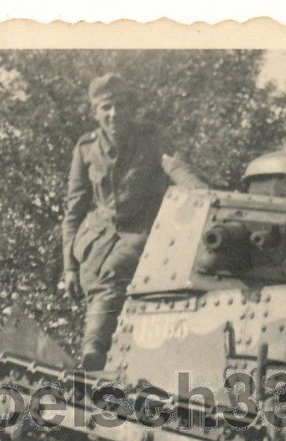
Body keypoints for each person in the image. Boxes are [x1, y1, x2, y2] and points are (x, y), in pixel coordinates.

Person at [61, 73, 206, 371]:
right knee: (102, 285)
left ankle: (93, 355)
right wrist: (69, 268)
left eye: (121, 106)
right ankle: (102, 355)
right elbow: (73, 209)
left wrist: (202, 194)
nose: (114, 114)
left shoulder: (150, 138)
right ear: (95, 112)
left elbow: (176, 167)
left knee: (113, 274)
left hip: (139, 231)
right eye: (106, 107)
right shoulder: (86, 148)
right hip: (97, 239)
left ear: (131, 108)